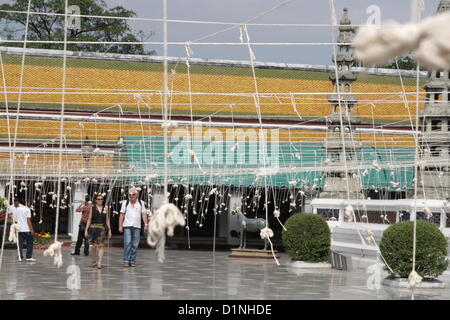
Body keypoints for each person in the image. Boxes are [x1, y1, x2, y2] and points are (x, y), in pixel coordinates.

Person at [118, 188, 148, 267]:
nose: (131, 196)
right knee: (127, 243)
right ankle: (126, 260)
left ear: (137, 195)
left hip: (137, 226)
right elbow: (121, 215)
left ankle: (132, 260)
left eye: (133, 195)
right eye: (130, 195)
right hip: (127, 225)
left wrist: (146, 224)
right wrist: (120, 226)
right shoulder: (125, 203)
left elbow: (144, 214)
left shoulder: (141, 203)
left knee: (135, 244)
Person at [84, 193, 111, 269]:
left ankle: (99, 262)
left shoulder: (105, 208)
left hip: (102, 228)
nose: (100, 200)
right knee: (94, 246)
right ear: (96, 200)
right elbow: (89, 219)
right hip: (93, 228)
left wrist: (109, 230)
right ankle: (93, 261)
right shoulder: (92, 208)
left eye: (101, 199)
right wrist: (86, 229)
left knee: (101, 246)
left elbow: (107, 220)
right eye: (98, 199)